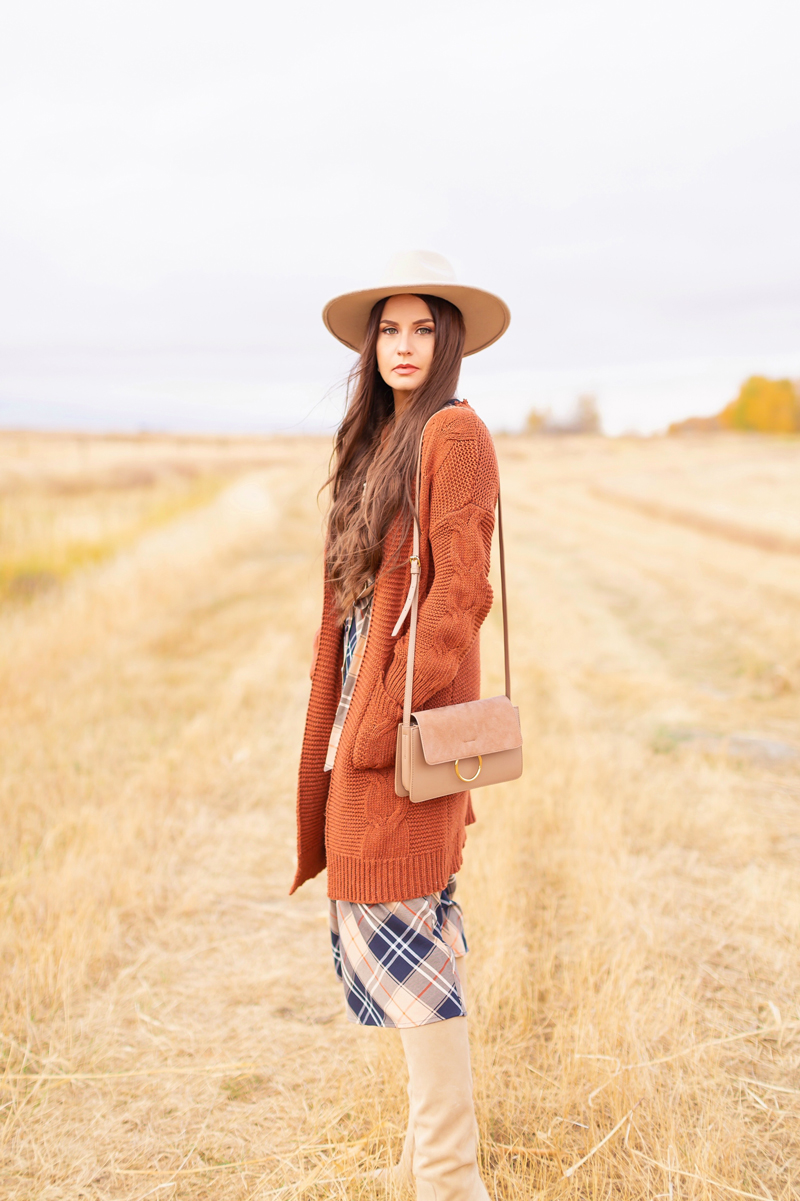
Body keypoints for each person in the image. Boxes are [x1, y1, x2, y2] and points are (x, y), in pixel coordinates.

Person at [291, 250, 510, 1200]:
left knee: (419, 973)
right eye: (392, 328)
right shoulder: (380, 442)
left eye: (425, 328)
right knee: (412, 959)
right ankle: (429, 1178)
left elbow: (461, 596)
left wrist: (383, 724)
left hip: (400, 747)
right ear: (372, 344)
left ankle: (451, 1185)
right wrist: (347, 736)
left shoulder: (453, 435)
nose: (407, 345)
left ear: (449, 341)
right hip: (360, 742)